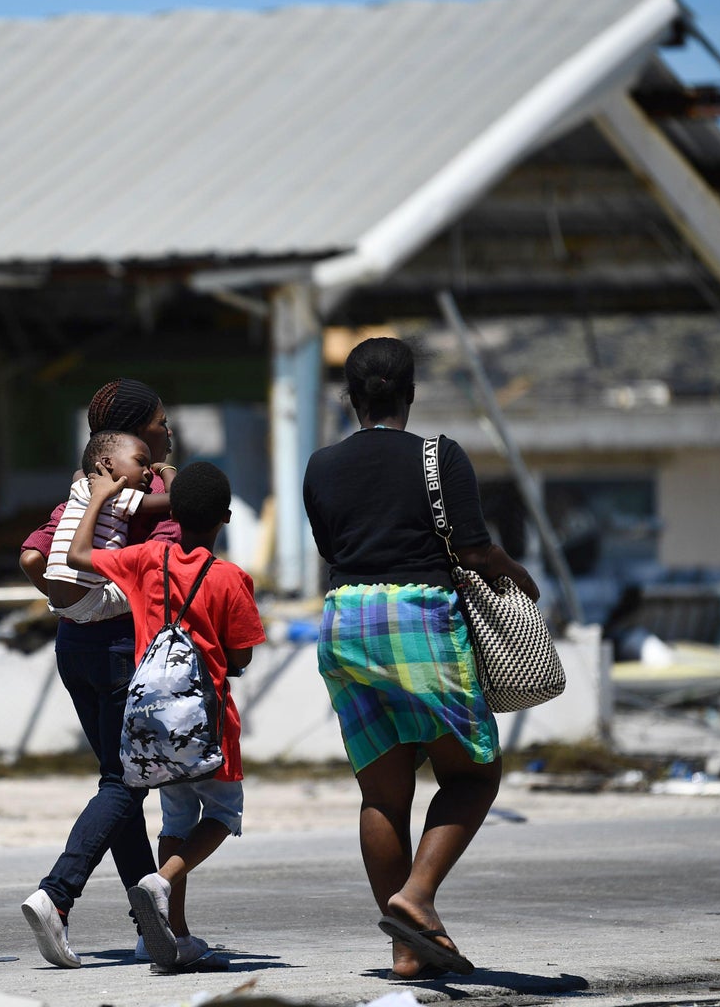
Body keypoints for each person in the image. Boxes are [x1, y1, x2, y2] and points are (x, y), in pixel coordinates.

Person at [301, 337, 539, 980]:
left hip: (347, 621)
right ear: (410, 394)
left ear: (350, 398)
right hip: (419, 620)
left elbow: (332, 547)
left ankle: (408, 950)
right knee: (472, 774)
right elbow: (473, 550)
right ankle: (417, 896)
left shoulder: (321, 465)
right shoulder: (441, 456)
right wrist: (515, 573)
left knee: (382, 793)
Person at [67, 461, 265, 972]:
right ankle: (160, 881)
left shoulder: (146, 560)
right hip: (206, 722)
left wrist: (96, 501)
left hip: (154, 725)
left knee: (176, 819)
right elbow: (240, 656)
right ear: (224, 517)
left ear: (173, 515)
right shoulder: (229, 578)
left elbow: (77, 555)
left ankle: (175, 937)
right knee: (223, 815)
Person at [18, 379, 179, 969]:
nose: (167, 431)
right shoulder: (147, 486)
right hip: (119, 644)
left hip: (73, 645)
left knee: (120, 780)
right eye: (160, 423)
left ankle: (149, 925)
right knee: (125, 783)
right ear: (137, 435)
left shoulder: (80, 490)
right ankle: (57, 897)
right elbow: (165, 556)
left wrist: (68, 601)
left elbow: (35, 555)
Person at [40, 431, 173, 623]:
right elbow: (175, 499)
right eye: (140, 462)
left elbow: (79, 472)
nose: (147, 472)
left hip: (57, 600)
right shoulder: (119, 496)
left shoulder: (81, 485)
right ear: (108, 463)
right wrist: (166, 469)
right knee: (154, 582)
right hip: (92, 601)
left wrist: (97, 469)